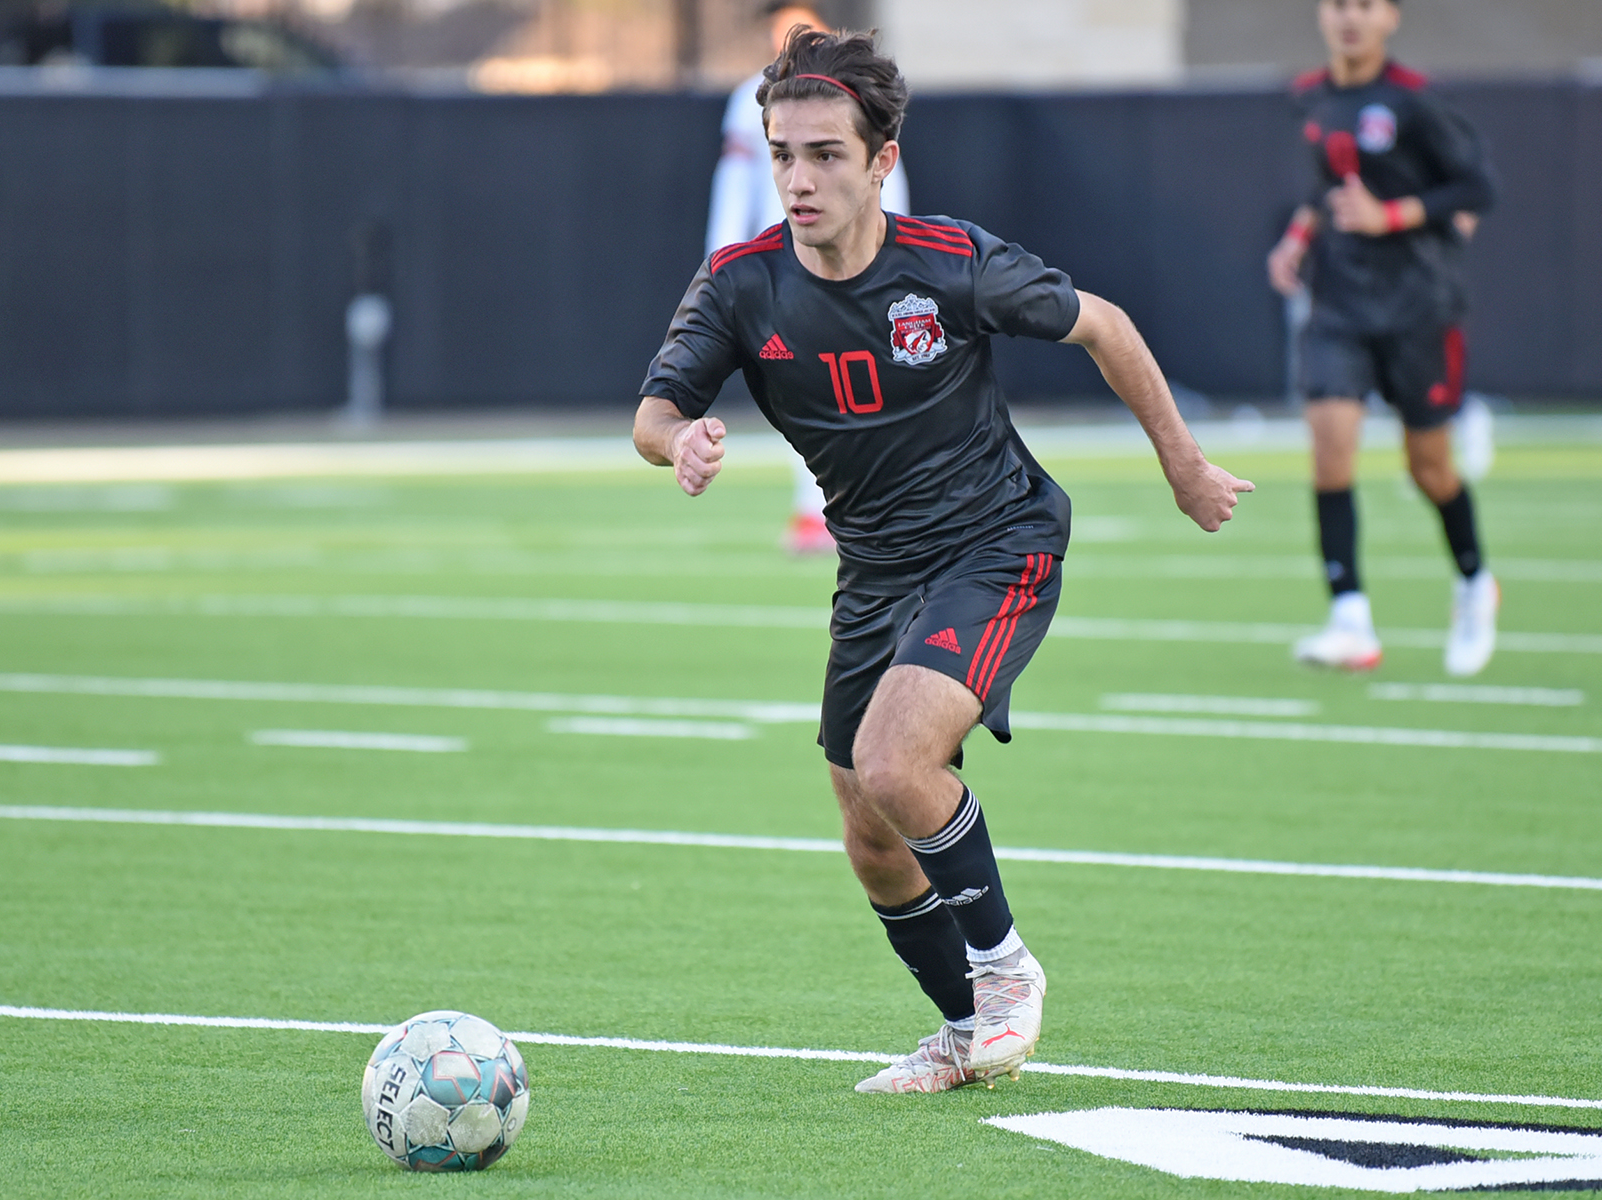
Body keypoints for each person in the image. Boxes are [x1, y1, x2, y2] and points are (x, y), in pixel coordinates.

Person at [635, 27, 1252, 1093]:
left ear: (881, 161)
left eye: (826, 153)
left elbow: (1103, 325)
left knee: (893, 762)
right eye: (783, 152)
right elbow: (652, 412)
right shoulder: (740, 284)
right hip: (874, 572)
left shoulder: (951, 264)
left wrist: (1185, 466)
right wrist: (677, 442)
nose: (799, 177)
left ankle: (1007, 973)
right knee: (869, 831)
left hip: (995, 540)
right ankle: (968, 1033)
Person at [1268, 0, 1498, 676]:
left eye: (1365, 6)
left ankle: (1474, 581)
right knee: (1330, 448)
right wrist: (1297, 238)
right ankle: (1350, 618)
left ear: (1390, 17)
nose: (1350, 19)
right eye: (1339, 5)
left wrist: (1392, 214)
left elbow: (1477, 187)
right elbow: (1327, 186)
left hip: (1419, 307)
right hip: (1340, 306)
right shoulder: (1309, 97)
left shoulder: (1416, 102)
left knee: (1428, 467)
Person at [707, 3, 909, 556]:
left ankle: (876, 506)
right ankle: (818, 511)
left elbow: (886, 179)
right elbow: (735, 187)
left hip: (856, 268)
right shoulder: (752, 98)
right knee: (809, 392)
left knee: (875, 389)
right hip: (784, 272)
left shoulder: (856, 106)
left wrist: (893, 259)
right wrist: (722, 262)